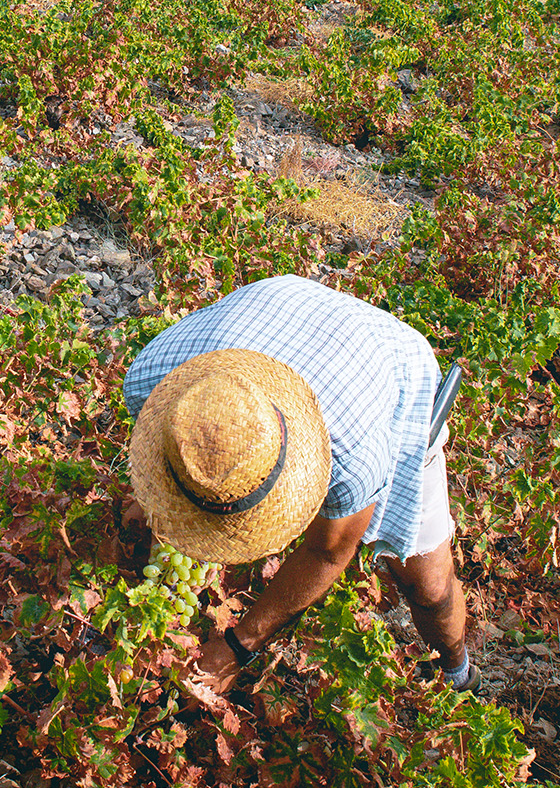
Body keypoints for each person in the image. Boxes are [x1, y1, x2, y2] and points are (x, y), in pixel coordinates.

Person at [122, 274, 475, 697]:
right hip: (284, 307)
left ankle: (459, 673)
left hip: (394, 372)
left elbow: (327, 552)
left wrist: (239, 645)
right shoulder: (154, 380)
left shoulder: (352, 453)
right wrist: (147, 513)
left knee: (427, 585)